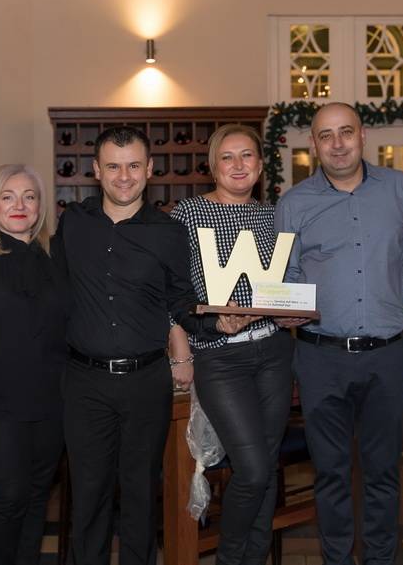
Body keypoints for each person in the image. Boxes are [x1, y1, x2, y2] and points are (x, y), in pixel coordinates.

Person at [58, 125, 245, 565]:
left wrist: (218, 320)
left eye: (134, 166)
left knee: (142, 493)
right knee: (89, 495)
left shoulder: (168, 232)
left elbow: (180, 302)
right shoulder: (73, 224)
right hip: (83, 382)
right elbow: (54, 293)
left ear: (150, 169)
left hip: (145, 381)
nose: (124, 176)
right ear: (96, 171)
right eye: (113, 166)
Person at [274, 102, 403, 565]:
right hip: (321, 358)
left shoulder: (401, 188)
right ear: (314, 144)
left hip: (387, 354)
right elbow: (288, 272)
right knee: (331, 473)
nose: (337, 143)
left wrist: (384, 292)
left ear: (363, 136)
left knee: (383, 472)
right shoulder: (294, 203)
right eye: (326, 135)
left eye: (346, 132)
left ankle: (380, 559)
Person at [169, 123, 300, 565]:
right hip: (220, 358)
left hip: (274, 351)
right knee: (253, 468)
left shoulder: (272, 215)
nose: (238, 165)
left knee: (266, 465)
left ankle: (254, 557)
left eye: (247, 156)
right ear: (212, 166)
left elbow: (281, 285)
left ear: (261, 166)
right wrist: (181, 352)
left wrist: (291, 310)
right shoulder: (187, 215)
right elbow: (171, 295)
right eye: (228, 157)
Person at [0, 164, 69, 565]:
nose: (19, 205)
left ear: (41, 205)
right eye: (7, 196)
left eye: (29, 196)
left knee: (38, 496)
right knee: (8, 496)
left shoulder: (57, 256)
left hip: (51, 397)